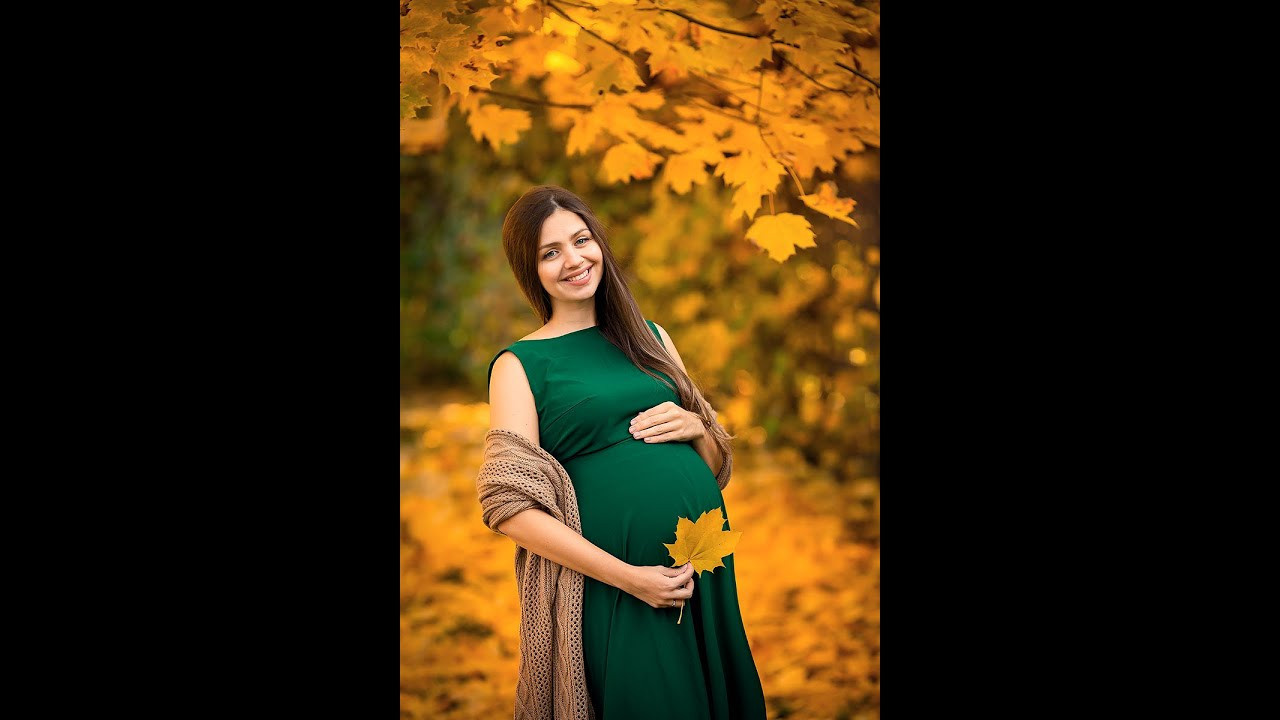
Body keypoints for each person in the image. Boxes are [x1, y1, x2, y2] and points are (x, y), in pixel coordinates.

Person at [486, 185, 767, 719]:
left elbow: (712, 469)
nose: (574, 260)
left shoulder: (651, 336)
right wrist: (631, 577)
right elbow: (511, 511)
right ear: (530, 269)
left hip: (701, 571)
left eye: (581, 240)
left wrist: (697, 428)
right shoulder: (519, 365)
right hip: (617, 587)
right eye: (550, 252)